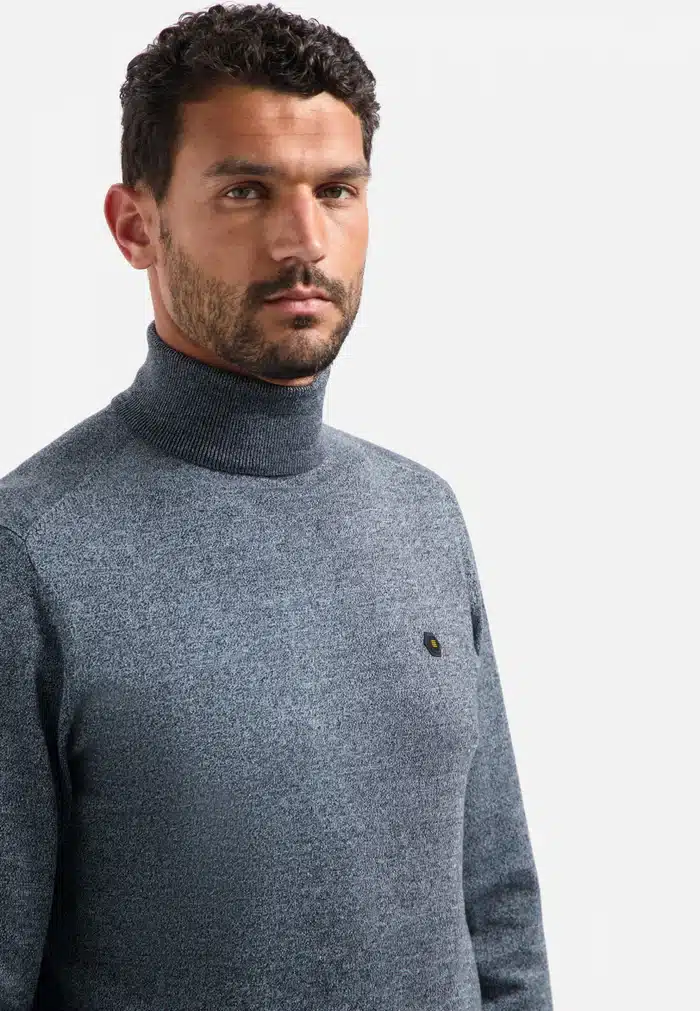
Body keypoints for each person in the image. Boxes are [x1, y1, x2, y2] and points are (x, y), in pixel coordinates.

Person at [0, 4, 553, 1009]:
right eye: (245, 191)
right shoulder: (31, 553)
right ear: (135, 225)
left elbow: (500, 919)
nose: (304, 241)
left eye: (336, 190)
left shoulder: (421, 515)